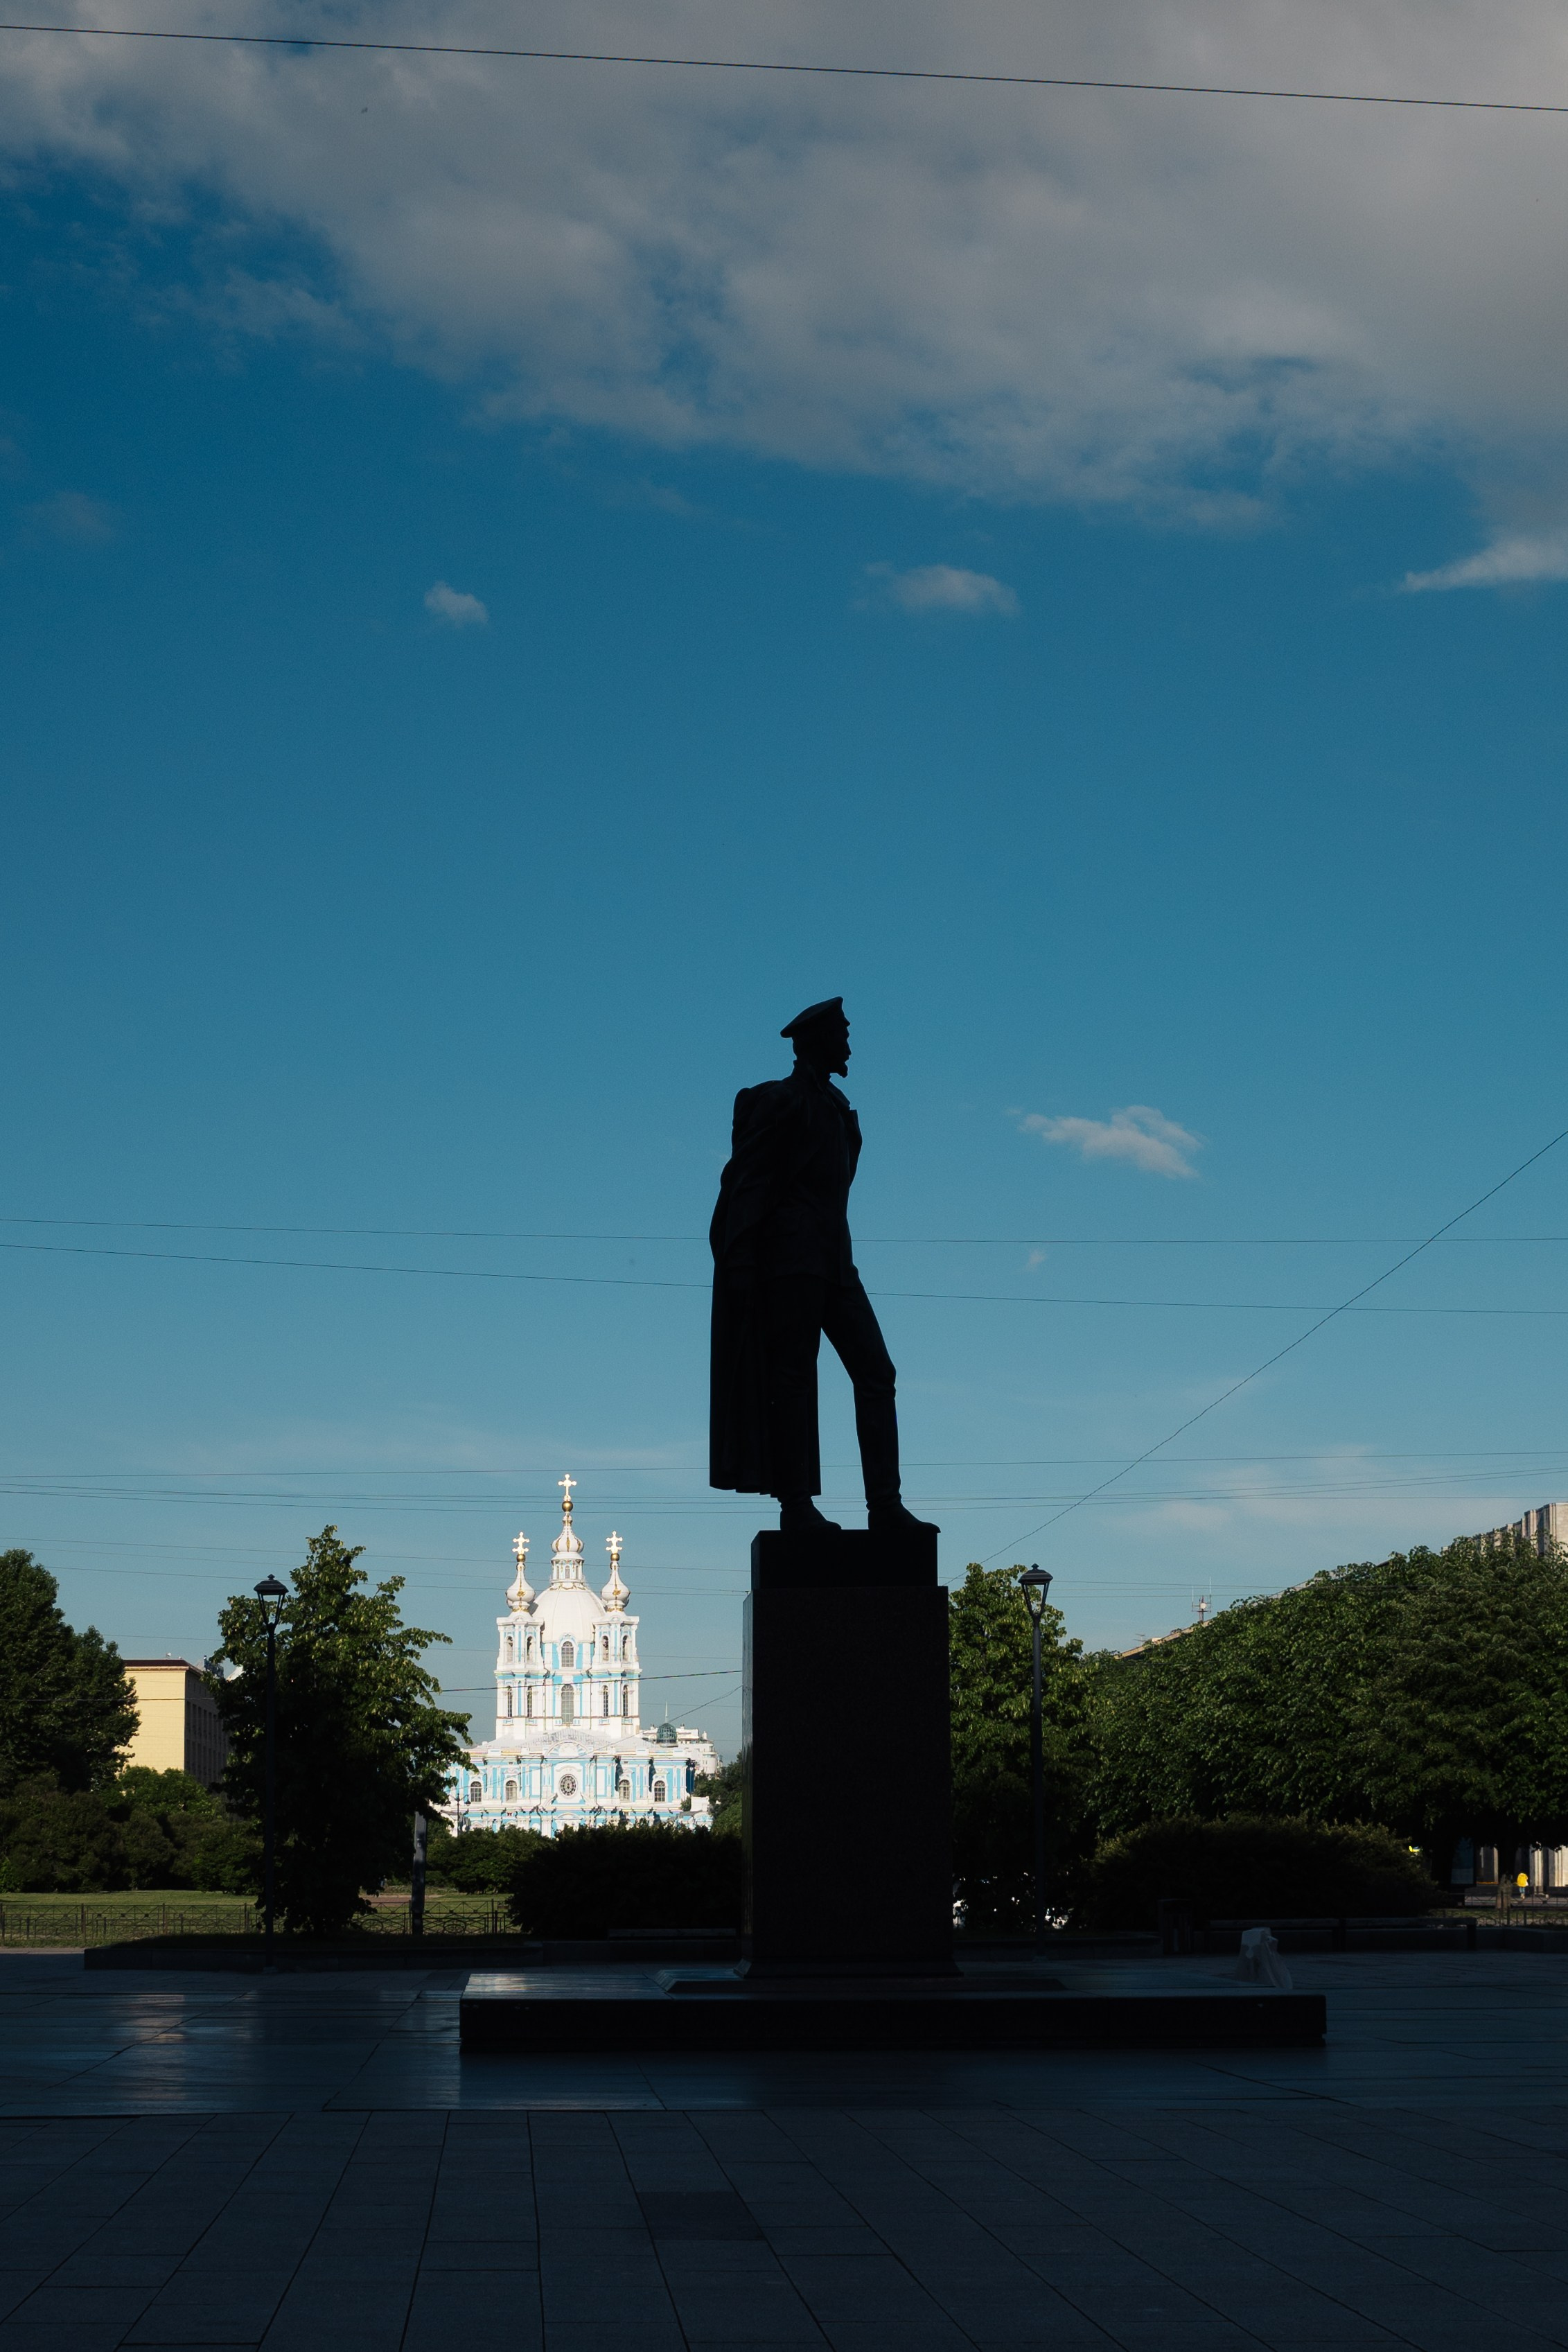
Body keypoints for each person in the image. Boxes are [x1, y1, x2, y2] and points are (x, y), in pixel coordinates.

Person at [709, 998, 935, 1540]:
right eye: (843, 1035)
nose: (850, 1046)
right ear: (818, 1042)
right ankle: (797, 1506)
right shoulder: (779, 1101)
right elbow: (745, 1185)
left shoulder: (835, 1105)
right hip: (788, 1262)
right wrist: (740, 1260)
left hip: (835, 1262)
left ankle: (885, 1505)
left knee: (877, 1373)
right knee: (792, 1380)